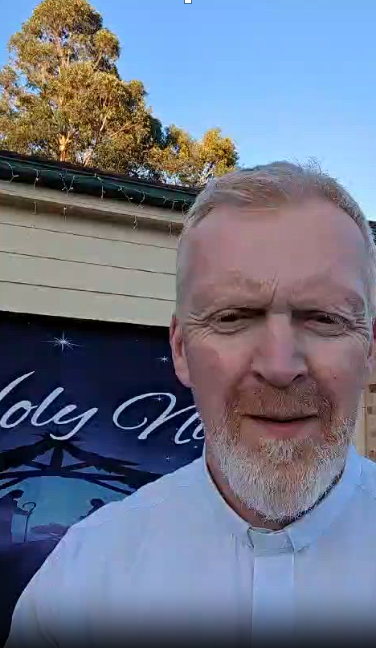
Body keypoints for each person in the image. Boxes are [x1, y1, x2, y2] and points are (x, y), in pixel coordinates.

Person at [6, 161, 376, 646]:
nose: (280, 366)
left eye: (325, 318)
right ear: (181, 350)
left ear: (369, 351)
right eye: (233, 317)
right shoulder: (82, 579)